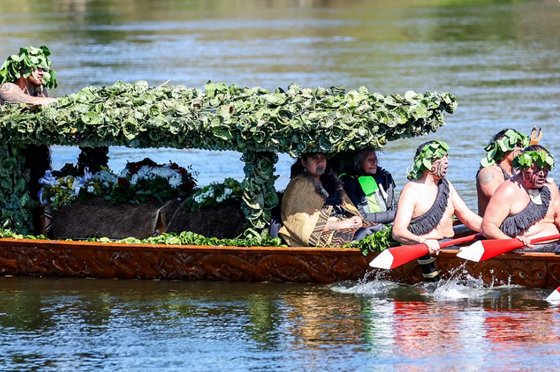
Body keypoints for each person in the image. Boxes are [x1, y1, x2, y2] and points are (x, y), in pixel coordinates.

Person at [392, 141, 482, 272]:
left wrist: (495, 230)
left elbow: (468, 217)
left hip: (450, 245)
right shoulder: (411, 190)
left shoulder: (446, 185)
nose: (446, 161)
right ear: (427, 161)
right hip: (426, 251)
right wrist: (423, 241)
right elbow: (398, 232)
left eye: (446, 156)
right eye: (441, 157)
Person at [278, 153, 375, 247]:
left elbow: (347, 207)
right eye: (314, 157)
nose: (320, 162)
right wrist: (340, 224)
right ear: (303, 161)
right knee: (365, 233)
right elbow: (303, 226)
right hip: (325, 235)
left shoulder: (330, 181)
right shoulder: (299, 185)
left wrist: (354, 218)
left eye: (323, 157)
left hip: (346, 224)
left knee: (377, 229)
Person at [481, 145, 560, 252]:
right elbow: (488, 227)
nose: (542, 174)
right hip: (526, 249)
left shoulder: (551, 188)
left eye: (545, 169)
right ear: (523, 167)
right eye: (535, 169)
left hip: (555, 245)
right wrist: (512, 242)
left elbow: (558, 219)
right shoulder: (508, 190)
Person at [476, 128, 528, 216]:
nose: (522, 149)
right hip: (494, 227)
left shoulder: (518, 172)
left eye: (522, 146)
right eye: (517, 145)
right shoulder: (488, 173)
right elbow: (501, 203)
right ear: (502, 147)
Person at [341, 148, 397, 229]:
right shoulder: (350, 182)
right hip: (367, 227)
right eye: (369, 160)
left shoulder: (382, 177)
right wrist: (396, 214)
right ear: (359, 163)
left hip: (388, 220)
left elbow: (393, 203)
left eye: (375, 159)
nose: (374, 163)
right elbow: (362, 217)